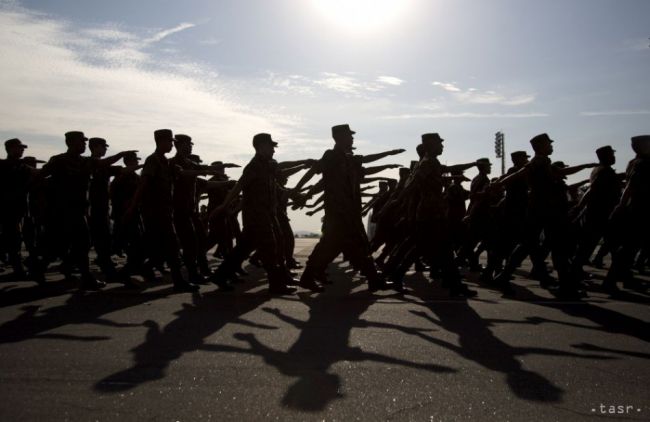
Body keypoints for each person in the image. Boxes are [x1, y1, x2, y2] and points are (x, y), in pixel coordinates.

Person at [295, 124, 393, 293]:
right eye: (349, 135)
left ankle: (373, 279)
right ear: (339, 138)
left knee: (356, 246)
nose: (352, 138)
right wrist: (299, 191)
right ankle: (308, 278)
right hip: (338, 213)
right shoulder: (331, 156)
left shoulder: (350, 160)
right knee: (330, 247)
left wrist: (387, 159)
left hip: (351, 213)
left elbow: (367, 166)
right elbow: (313, 171)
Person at [210, 133, 296, 294]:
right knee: (271, 247)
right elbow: (240, 186)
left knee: (244, 248)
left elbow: (275, 183)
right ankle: (276, 284)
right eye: (271, 146)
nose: (273, 150)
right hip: (256, 215)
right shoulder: (254, 167)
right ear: (261, 146)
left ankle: (220, 276)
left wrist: (288, 191)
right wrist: (224, 206)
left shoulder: (268, 166)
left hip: (268, 213)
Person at [128, 129, 198, 292]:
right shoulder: (153, 160)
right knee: (167, 246)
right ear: (160, 142)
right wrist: (132, 207)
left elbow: (184, 172)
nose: (172, 145)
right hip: (153, 211)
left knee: (158, 247)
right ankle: (178, 282)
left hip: (165, 211)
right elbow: (143, 184)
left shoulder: (166, 162)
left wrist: (205, 171)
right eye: (169, 142)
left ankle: (135, 271)